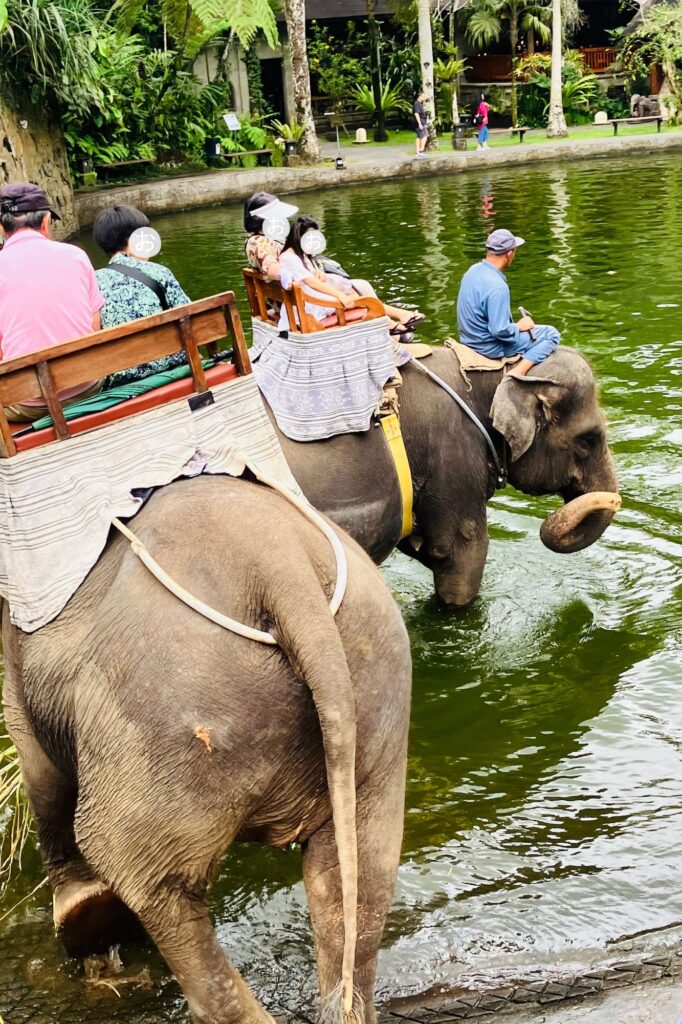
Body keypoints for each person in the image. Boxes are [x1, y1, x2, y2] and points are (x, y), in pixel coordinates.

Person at [244, 193, 424, 336]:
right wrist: (285, 273)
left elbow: (303, 260)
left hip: (298, 290)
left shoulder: (277, 237)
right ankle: (389, 323)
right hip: (289, 298)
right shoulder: (259, 242)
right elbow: (271, 266)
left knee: (359, 285)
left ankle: (388, 324)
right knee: (357, 289)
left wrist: (316, 271)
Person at [0, 183, 104, 421]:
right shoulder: (76, 256)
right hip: (87, 386)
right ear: (46, 221)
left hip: (26, 404)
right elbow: (93, 326)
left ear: (2, 228)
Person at [93, 204, 191, 385]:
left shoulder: (93, 281)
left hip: (120, 379)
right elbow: (194, 320)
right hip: (170, 367)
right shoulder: (159, 272)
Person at [456, 229, 560, 376]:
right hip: (488, 347)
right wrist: (519, 326)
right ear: (509, 253)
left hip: (469, 340)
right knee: (551, 334)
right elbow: (500, 331)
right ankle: (518, 372)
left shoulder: (472, 271)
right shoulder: (497, 286)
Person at [413, 90, 428, 157]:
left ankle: (418, 151)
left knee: (419, 136)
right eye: (423, 96)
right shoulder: (417, 104)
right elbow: (416, 114)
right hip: (420, 122)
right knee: (424, 136)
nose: (424, 98)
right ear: (420, 96)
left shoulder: (419, 104)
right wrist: (419, 123)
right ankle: (421, 150)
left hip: (421, 121)